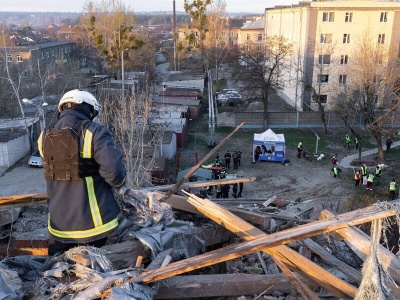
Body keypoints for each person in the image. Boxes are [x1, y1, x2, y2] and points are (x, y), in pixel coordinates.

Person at [38, 89, 126, 256]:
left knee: (62, 276)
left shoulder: (44, 136)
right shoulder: (95, 131)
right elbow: (115, 174)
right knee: (98, 277)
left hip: (59, 229)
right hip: (96, 227)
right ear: (89, 109)